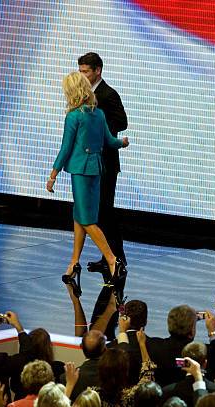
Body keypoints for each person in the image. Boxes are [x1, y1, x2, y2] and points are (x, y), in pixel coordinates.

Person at [46, 71, 128, 296]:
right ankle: (74, 263)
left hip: (80, 171)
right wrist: (122, 143)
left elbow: (65, 148)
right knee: (79, 215)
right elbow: (110, 141)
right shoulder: (98, 114)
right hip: (96, 169)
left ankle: (113, 260)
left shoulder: (74, 117)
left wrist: (53, 174)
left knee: (87, 220)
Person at [78, 52, 129, 271]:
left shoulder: (108, 94)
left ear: (97, 70)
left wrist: (98, 118)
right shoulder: (84, 93)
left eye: (85, 72)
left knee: (105, 211)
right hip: (91, 161)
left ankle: (117, 257)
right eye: (80, 72)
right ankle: (108, 256)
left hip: (106, 162)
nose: (82, 76)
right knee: (98, 212)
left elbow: (122, 122)